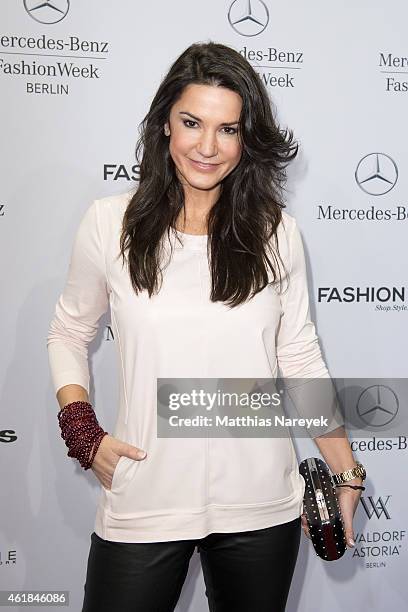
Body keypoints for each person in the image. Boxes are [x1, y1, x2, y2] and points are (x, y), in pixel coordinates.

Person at [47, 41, 365, 612]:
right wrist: (81, 429)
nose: (207, 147)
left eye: (228, 129)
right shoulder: (108, 224)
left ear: (247, 139)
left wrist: (348, 474)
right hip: (145, 499)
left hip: (262, 505)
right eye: (192, 122)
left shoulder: (276, 232)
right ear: (165, 123)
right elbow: (68, 333)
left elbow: (300, 360)